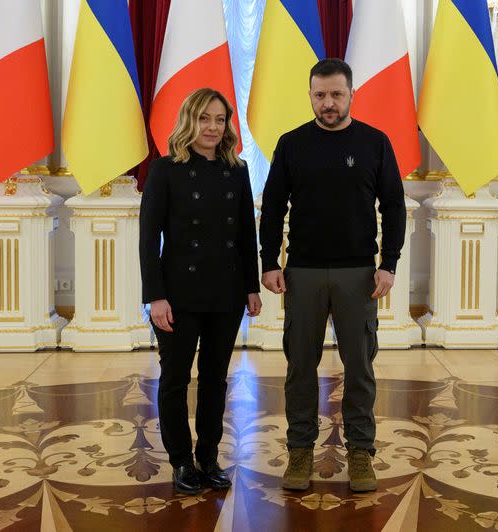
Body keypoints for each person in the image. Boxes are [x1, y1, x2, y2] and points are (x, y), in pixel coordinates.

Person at [258, 59, 406, 492]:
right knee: (299, 367)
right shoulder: (290, 144)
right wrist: (270, 261)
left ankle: (361, 453)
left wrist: (389, 263)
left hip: (359, 274)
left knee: (359, 368)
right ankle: (300, 451)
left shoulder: (375, 143)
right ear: (310, 96)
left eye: (336, 94)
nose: (328, 103)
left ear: (351, 95)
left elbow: (394, 207)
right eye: (320, 95)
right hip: (301, 273)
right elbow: (273, 207)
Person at [140, 88, 262, 495]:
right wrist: (155, 296)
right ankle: (180, 461)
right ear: (189, 121)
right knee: (175, 379)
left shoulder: (237, 169)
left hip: (226, 294)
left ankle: (208, 457)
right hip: (177, 294)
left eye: (220, 119)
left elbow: (246, 234)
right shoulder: (165, 170)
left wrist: (251, 288)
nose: (212, 127)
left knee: (215, 379)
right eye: (205, 118)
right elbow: (147, 239)